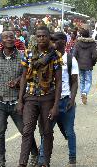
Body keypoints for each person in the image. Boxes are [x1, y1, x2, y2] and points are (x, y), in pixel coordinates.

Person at [17, 26, 63, 167]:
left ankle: (45, 163)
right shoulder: (28, 53)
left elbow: (59, 80)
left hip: (47, 98)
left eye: (44, 36)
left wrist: (55, 106)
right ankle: (22, 163)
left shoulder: (55, 55)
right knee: (27, 131)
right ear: (35, 37)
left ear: (49, 37)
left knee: (47, 132)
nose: (41, 38)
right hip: (30, 97)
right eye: (38, 36)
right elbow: (24, 77)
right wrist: (20, 101)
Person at [0, 30, 38, 167]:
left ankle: (34, 154)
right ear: (1, 41)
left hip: (18, 102)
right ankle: (1, 161)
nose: (9, 39)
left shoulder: (22, 56)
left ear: (15, 39)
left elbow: (28, 74)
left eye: (11, 37)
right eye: (5, 37)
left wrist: (18, 80)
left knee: (25, 131)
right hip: (0, 102)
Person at [38, 32, 79, 166]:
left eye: (56, 39)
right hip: (50, 102)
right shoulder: (48, 58)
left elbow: (74, 82)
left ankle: (72, 158)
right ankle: (42, 159)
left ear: (64, 41)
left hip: (66, 100)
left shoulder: (70, 59)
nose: (53, 41)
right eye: (52, 39)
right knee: (46, 131)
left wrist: (72, 100)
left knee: (69, 131)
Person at [73, 29, 97, 105]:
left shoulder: (78, 42)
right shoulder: (92, 43)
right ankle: (85, 92)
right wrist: (93, 63)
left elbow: (74, 54)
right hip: (88, 65)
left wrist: (76, 63)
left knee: (82, 80)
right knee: (88, 81)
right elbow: (94, 56)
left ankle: (83, 95)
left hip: (79, 65)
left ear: (81, 35)